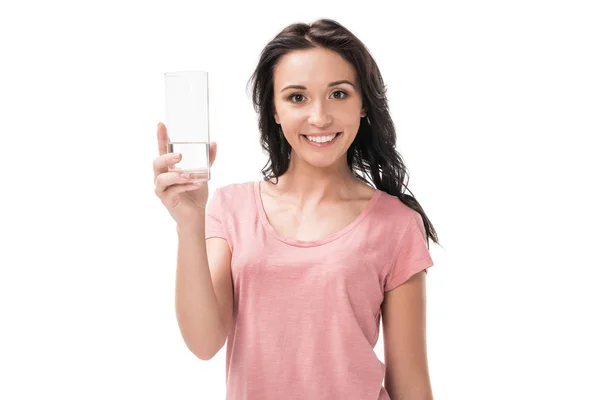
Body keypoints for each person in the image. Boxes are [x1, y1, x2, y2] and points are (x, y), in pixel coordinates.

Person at [153, 18, 439, 400]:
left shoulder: (397, 225)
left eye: (338, 94)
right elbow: (204, 343)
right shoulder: (232, 207)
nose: (319, 117)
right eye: (297, 97)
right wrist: (189, 223)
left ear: (364, 104)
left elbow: (410, 382)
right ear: (273, 109)